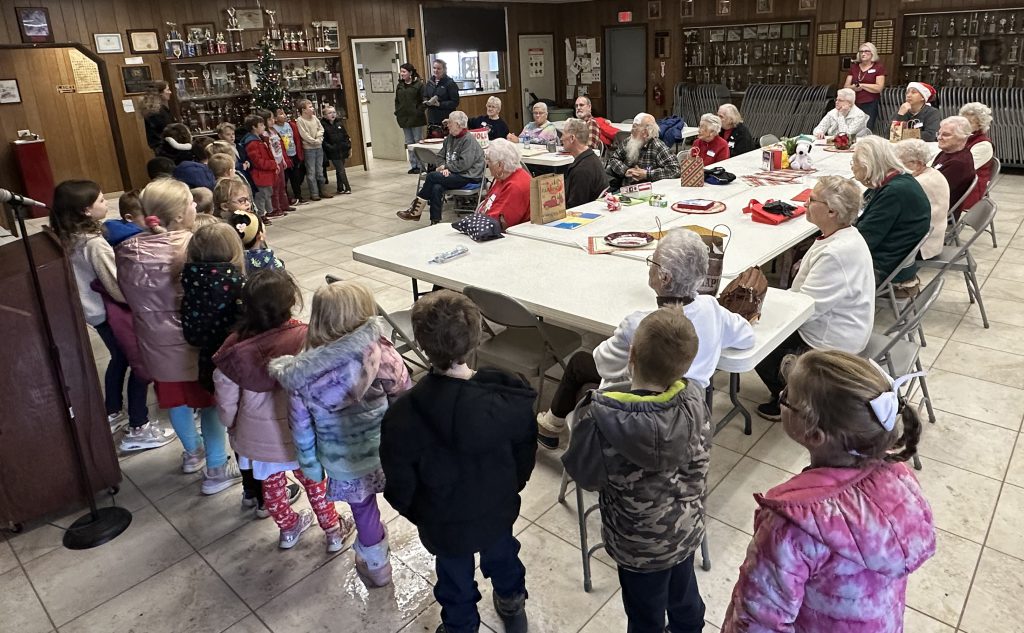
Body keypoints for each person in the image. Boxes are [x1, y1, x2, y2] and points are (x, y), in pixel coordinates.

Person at [724, 350, 935, 633]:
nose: (782, 395)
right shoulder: (901, 479)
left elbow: (757, 620)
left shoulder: (791, 525)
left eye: (785, 397)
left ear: (813, 435)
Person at [379, 290, 537, 633]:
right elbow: (525, 450)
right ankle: (512, 603)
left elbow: (399, 484)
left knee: (454, 579)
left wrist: (423, 514)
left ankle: (461, 625)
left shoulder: (403, 414)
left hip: (444, 520)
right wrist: (512, 486)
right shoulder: (508, 396)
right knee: (505, 556)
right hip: (497, 506)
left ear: (421, 344)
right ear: (477, 336)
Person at [536, 228, 754, 449]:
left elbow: (604, 363)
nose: (650, 267)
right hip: (689, 407)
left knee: (580, 362)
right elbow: (746, 336)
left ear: (664, 277)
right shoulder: (712, 309)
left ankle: (550, 426)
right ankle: (551, 424)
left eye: (653, 262)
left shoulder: (640, 325)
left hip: (637, 410)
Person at [562, 308, 709, 633]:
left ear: (630, 355)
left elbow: (585, 477)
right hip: (684, 531)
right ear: (686, 364)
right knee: (685, 597)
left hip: (636, 545)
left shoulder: (600, 417)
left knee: (644, 614)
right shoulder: (696, 402)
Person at [270, 281, 411, 587]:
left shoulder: (301, 373)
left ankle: (378, 568)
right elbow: (405, 396)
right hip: (388, 450)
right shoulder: (383, 355)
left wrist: (310, 465)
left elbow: (301, 426)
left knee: (364, 512)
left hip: (343, 462)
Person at [214, 269, 357, 548]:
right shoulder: (306, 338)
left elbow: (226, 398)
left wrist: (233, 425)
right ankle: (332, 531)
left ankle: (289, 529)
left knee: (272, 485)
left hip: (257, 438)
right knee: (314, 481)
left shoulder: (234, 348)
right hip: (300, 434)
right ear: (292, 301)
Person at [115, 178, 238, 490]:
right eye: (191, 204)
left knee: (175, 402)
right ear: (182, 215)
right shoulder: (192, 246)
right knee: (209, 403)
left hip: (155, 347)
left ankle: (192, 452)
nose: (196, 206)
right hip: (192, 345)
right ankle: (215, 468)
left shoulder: (126, 251)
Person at [50, 180, 174, 448]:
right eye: (101, 201)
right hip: (111, 311)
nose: (107, 204)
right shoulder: (94, 244)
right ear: (85, 210)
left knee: (119, 358)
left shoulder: (69, 237)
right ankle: (138, 427)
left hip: (94, 312)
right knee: (140, 364)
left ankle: (113, 410)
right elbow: (117, 287)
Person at [754, 176, 876, 420]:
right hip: (841, 323)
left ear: (832, 211)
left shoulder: (835, 253)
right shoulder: (841, 235)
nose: (806, 204)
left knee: (755, 341)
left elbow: (806, 308)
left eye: (812, 200)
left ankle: (792, 399)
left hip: (831, 339)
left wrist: (762, 308)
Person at [851, 136, 931, 293]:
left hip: (884, 265)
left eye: (854, 163)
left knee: (813, 258)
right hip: (894, 257)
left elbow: (863, 240)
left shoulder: (894, 192)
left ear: (868, 166)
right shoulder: (895, 180)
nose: (852, 168)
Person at [397, 111, 485, 224]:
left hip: (468, 176)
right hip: (454, 173)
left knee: (432, 176)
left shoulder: (468, 140)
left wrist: (447, 167)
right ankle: (435, 221)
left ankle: (415, 210)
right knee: (436, 187)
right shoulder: (450, 138)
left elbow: (464, 164)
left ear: (458, 124)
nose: (447, 125)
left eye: (450, 123)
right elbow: (440, 156)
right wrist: (443, 168)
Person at [893, 139, 950, 260]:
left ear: (918, 164)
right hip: (930, 237)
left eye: (900, 163)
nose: (895, 167)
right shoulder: (931, 173)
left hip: (922, 245)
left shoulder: (918, 183)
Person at [606, 113, 680, 190]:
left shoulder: (657, 146)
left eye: (635, 128)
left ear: (645, 132)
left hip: (650, 192)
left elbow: (675, 170)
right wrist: (625, 170)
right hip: (625, 189)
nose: (631, 131)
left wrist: (647, 174)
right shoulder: (629, 141)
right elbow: (613, 159)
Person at [476, 139, 532, 230]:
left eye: (489, 160)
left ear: (500, 165)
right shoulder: (503, 176)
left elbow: (499, 223)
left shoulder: (515, 186)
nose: (487, 164)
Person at [931, 116, 977, 215]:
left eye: (946, 135)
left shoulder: (958, 163)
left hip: (938, 213)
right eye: (939, 133)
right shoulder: (947, 152)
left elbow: (934, 192)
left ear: (962, 138)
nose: (939, 137)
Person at [562, 118, 608, 208]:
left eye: (563, 135)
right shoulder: (591, 159)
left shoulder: (582, 170)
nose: (561, 138)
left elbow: (575, 208)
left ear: (572, 138)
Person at [240, 114, 278, 220]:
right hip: (259, 174)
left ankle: (266, 212)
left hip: (265, 173)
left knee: (267, 194)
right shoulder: (252, 143)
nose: (264, 127)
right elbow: (257, 161)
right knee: (261, 196)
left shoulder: (260, 139)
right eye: (261, 125)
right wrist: (272, 164)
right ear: (254, 127)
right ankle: (261, 215)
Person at [959, 102, 995, 210]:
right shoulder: (964, 138)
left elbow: (965, 169)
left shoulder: (983, 144)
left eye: (969, 122)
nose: (964, 125)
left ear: (980, 125)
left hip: (970, 188)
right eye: (963, 121)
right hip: (959, 181)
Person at [296, 99, 333, 201]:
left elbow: (321, 129)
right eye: (310, 107)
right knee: (311, 171)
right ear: (304, 110)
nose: (312, 108)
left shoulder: (315, 118)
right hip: (309, 149)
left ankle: (323, 190)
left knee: (320, 170)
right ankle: (314, 193)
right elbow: (304, 134)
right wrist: (313, 141)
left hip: (318, 147)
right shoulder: (300, 120)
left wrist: (318, 139)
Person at [844, 42, 887, 129]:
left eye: (866, 51)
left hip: (870, 102)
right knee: (851, 127)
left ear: (872, 53)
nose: (863, 54)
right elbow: (846, 87)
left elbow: (879, 88)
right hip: (853, 102)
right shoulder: (854, 67)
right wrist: (854, 88)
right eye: (861, 51)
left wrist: (862, 85)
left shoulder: (878, 68)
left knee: (867, 127)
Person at [261, 109, 295, 217]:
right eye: (270, 119)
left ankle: (284, 204)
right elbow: (268, 150)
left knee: (282, 184)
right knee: (275, 187)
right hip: (273, 163)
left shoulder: (274, 131)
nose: (272, 120)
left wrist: (283, 160)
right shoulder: (265, 134)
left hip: (280, 160)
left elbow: (279, 147)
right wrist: (274, 163)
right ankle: (276, 208)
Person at [395, 63, 427, 173]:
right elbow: (397, 101)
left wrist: (418, 111)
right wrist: (397, 112)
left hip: (416, 118)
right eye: (401, 71)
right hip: (404, 117)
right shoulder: (400, 85)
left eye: (404, 72)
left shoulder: (419, 85)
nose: (402, 74)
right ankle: (413, 165)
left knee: (418, 141)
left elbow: (424, 101)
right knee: (409, 142)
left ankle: (421, 165)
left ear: (410, 73)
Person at [273, 108, 307, 204]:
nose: (284, 115)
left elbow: (296, 140)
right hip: (284, 157)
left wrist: (299, 154)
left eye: (284, 113)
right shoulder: (275, 129)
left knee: (296, 177)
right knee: (285, 179)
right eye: (280, 114)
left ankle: (298, 196)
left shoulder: (290, 125)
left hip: (294, 154)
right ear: (275, 118)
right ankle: (287, 199)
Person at [321, 105, 352, 194]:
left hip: (342, 149)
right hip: (333, 151)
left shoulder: (339, 123)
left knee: (339, 170)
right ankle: (347, 187)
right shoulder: (323, 125)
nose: (332, 114)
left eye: (334, 112)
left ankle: (340, 188)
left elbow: (345, 135)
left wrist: (347, 145)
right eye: (329, 113)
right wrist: (330, 147)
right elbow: (323, 140)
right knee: (341, 169)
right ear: (325, 115)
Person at [422, 59, 460, 127]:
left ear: (444, 70)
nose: (436, 70)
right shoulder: (430, 82)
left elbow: (455, 102)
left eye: (439, 68)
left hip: (445, 119)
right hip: (432, 119)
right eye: (434, 68)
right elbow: (425, 95)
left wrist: (440, 104)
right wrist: (426, 101)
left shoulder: (450, 83)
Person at [141, 81, 173, 153]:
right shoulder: (157, 112)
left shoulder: (155, 109)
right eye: (167, 90)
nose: (170, 92)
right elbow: (168, 130)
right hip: (167, 148)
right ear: (160, 93)